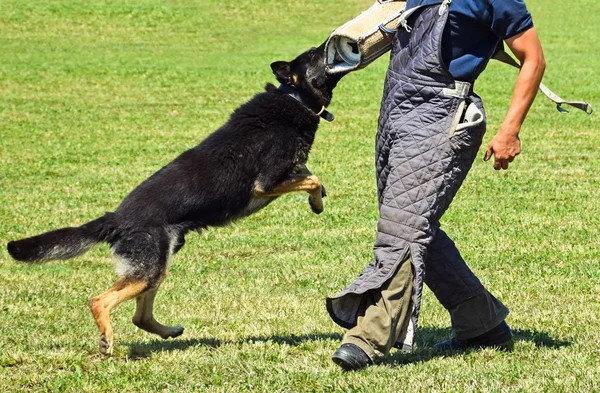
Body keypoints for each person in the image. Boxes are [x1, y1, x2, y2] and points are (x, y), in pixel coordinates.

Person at [327, 0, 546, 370]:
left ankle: (369, 336)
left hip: (442, 115)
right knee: (412, 221)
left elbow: (534, 59)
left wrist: (510, 131)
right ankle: (481, 321)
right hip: (395, 110)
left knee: (403, 227)